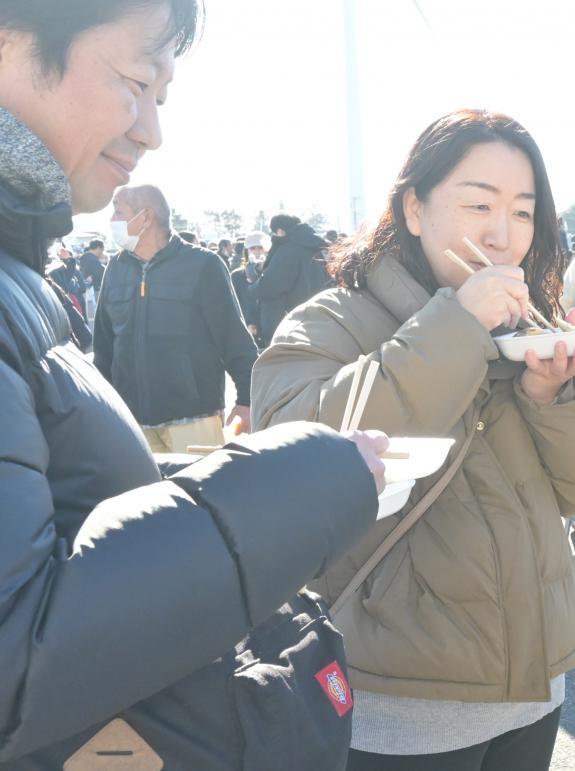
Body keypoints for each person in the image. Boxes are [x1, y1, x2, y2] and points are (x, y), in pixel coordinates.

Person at [0, 1, 389, 766]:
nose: (151, 129)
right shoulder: (76, 272)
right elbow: (18, 654)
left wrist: (241, 460)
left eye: (162, 96)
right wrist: (300, 485)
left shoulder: (30, 271)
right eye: (137, 80)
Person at [251, 109, 575, 771]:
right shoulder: (333, 320)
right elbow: (292, 455)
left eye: (522, 211)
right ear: (414, 208)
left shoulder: (528, 325)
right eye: (477, 203)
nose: (501, 232)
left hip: (533, 685)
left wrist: (559, 396)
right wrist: (453, 326)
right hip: (401, 705)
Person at [94, 184, 258, 450]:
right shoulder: (115, 267)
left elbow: (232, 337)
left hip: (194, 418)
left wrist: (247, 400)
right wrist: (101, 407)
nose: (112, 221)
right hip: (132, 422)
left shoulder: (203, 265)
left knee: (201, 490)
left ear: (145, 217)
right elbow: (104, 345)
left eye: (118, 212)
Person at [256, 212, 330, 340]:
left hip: (290, 322)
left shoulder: (288, 250)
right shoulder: (316, 247)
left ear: (279, 231)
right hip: (318, 315)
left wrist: (253, 287)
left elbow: (271, 285)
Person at [232, 230, 270, 346]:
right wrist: (247, 322)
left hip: (269, 329)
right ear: (247, 251)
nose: (257, 252)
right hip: (245, 330)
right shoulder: (237, 276)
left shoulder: (274, 274)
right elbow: (234, 303)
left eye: (260, 248)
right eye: (252, 248)